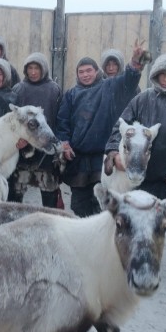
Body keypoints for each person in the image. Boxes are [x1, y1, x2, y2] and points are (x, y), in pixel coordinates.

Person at [105, 52, 166, 303]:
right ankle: (135, 271)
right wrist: (113, 153)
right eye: (162, 74)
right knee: (137, 227)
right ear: (155, 75)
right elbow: (122, 127)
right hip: (142, 178)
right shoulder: (142, 99)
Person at [56, 40, 147, 217]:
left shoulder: (109, 87)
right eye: (81, 72)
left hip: (104, 158)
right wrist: (64, 144)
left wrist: (136, 62)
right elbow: (62, 122)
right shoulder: (71, 94)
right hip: (78, 159)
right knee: (79, 205)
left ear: (97, 71)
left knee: (104, 206)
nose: (85, 75)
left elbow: (129, 80)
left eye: (89, 70)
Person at [9, 52, 63, 207]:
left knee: (49, 197)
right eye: (30, 68)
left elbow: (60, 118)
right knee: (15, 198)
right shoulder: (18, 89)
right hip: (22, 152)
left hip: (47, 153)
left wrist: (57, 144)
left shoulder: (54, 89)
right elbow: (12, 119)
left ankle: (50, 227)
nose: (33, 72)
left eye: (36, 68)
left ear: (43, 69)